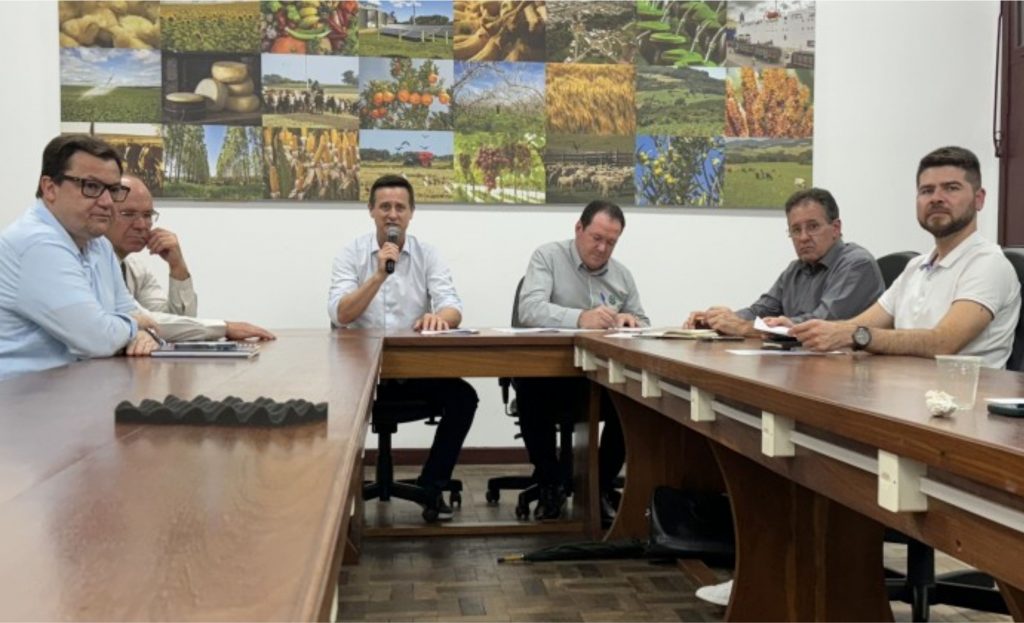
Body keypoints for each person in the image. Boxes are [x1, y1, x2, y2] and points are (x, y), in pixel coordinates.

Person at [327, 174, 477, 521]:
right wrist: (379, 274)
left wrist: (441, 318)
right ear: (371, 211)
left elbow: (453, 305)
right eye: (385, 207)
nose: (392, 214)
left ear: (411, 213)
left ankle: (431, 486)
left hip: (414, 369)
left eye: (399, 207)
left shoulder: (429, 254)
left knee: (464, 398)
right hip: (361, 373)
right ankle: (341, 500)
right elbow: (340, 313)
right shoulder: (350, 254)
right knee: (335, 407)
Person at [791, 146, 1021, 367]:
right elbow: (855, 326)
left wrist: (856, 335)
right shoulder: (916, 267)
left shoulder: (988, 264)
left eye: (951, 188)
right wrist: (799, 329)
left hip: (963, 401)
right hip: (903, 392)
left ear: (979, 199)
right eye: (927, 191)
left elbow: (944, 342)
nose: (936, 198)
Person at [516, 199, 650, 521]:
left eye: (611, 242)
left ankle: (600, 486)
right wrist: (581, 318)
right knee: (528, 390)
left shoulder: (622, 276)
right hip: (552, 378)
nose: (603, 248)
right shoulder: (547, 257)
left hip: (601, 379)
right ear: (579, 228)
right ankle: (550, 484)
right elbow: (529, 310)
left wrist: (630, 320)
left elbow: (644, 322)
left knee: (634, 400)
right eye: (597, 238)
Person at [0, 134, 159, 380]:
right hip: (21, 401)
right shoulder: (35, 244)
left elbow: (127, 311)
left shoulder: (99, 244)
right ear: (50, 188)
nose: (107, 202)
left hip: (74, 389)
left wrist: (140, 331)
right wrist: (135, 326)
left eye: (113, 189)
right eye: (92, 187)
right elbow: (96, 339)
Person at [684, 188, 884, 336]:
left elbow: (821, 322)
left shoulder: (857, 264)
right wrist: (718, 320)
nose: (803, 237)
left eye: (813, 226)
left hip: (847, 374)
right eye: (796, 230)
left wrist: (744, 328)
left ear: (836, 228)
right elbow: (760, 310)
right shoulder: (795, 269)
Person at [107, 176, 275, 343]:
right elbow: (139, 319)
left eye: (147, 215)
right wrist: (224, 327)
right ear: (103, 214)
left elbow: (178, 326)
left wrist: (177, 265)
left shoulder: (136, 270)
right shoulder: (91, 263)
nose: (142, 225)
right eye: (128, 214)